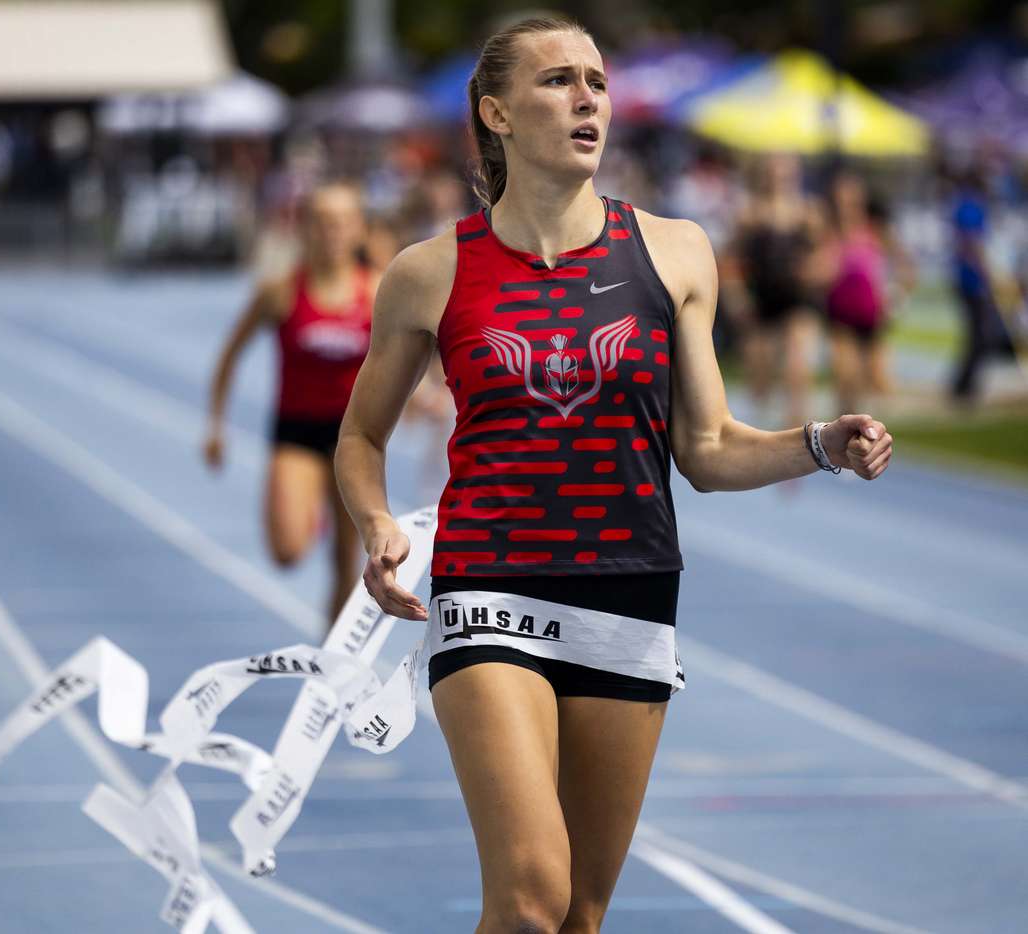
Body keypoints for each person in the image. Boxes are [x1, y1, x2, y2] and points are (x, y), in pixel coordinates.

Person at [334, 17, 893, 934]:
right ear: (497, 112)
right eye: (558, 81)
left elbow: (706, 450)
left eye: (596, 79)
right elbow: (360, 436)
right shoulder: (430, 272)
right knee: (528, 899)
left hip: (628, 595)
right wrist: (376, 521)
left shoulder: (674, 253)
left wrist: (822, 441)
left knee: (581, 916)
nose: (587, 96)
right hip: (489, 586)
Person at [205, 181, 377, 624]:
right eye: (320, 223)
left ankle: (335, 667)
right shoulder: (280, 291)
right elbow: (229, 356)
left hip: (354, 438)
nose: (331, 233)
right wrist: (215, 426)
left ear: (359, 230)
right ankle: (310, 509)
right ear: (303, 229)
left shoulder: (378, 292)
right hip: (296, 430)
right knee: (286, 551)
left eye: (341, 223)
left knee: (347, 563)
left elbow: (419, 354)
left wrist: (425, 395)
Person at [728, 152, 827, 428]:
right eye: (774, 172)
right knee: (760, 381)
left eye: (785, 173)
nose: (779, 178)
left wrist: (812, 271)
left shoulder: (807, 212)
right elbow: (731, 261)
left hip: (797, 299)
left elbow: (824, 255)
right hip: (762, 300)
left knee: (798, 366)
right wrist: (736, 297)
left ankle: (799, 434)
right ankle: (760, 432)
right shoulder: (750, 215)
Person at [822, 170, 915, 415]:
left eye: (852, 199)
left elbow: (906, 266)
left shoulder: (875, 231)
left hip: (872, 313)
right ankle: (842, 426)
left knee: (879, 380)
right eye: (841, 199)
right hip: (840, 313)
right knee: (845, 375)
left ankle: (869, 428)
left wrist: (897, 296)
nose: (846, 205)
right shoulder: (827, 232)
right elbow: (817, 271)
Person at [949, 165, 1016, 401]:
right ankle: (963, 386)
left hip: (968, 278)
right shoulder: (971, 206)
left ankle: (965, 384)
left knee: (978, 334)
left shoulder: (965, 204)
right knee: (980, 334)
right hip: (972, 280)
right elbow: (971, 243)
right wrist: (987, 273)